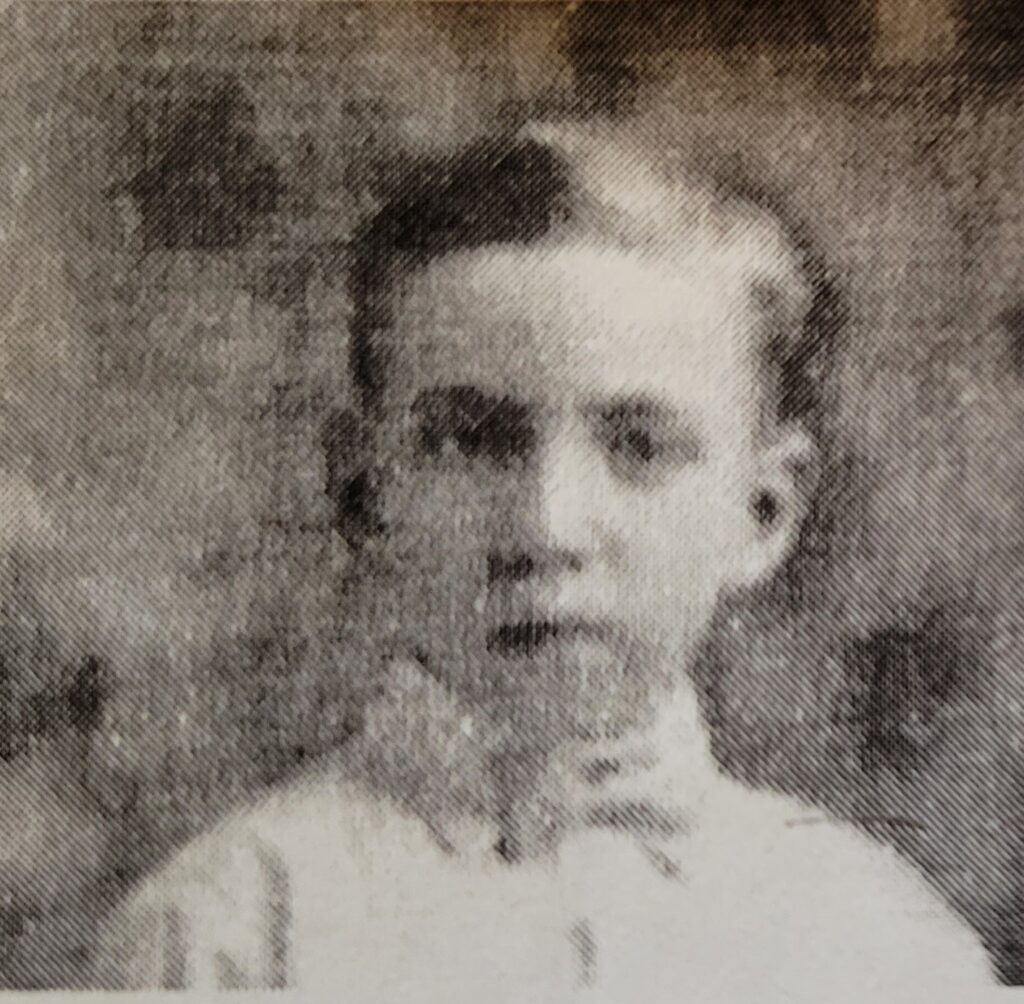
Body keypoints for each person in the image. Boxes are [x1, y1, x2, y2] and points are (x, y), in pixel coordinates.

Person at [92, 120, 996, 1000]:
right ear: (364, 492)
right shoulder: (219, 938)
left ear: (764, 512)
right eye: (469, 441)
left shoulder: (882, 945)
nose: (545, 528)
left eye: (639, 447)